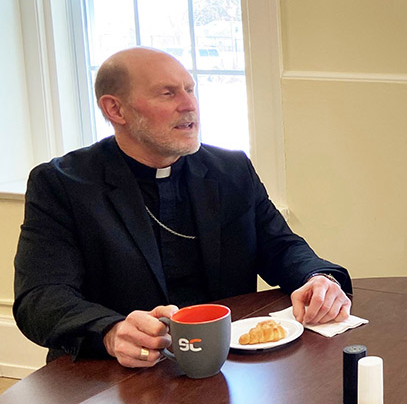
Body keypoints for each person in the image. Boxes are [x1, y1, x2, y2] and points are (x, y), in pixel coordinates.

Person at [14, 47, 353, 368]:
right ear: (115, 110)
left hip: (226, 367)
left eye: (190, 90)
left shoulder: (230, 170)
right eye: (168, 93)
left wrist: (316, 278)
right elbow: (40, 298)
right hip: (115, 377)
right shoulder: (61, 184)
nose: (189, 104)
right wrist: (110, 332)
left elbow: (280, 246)